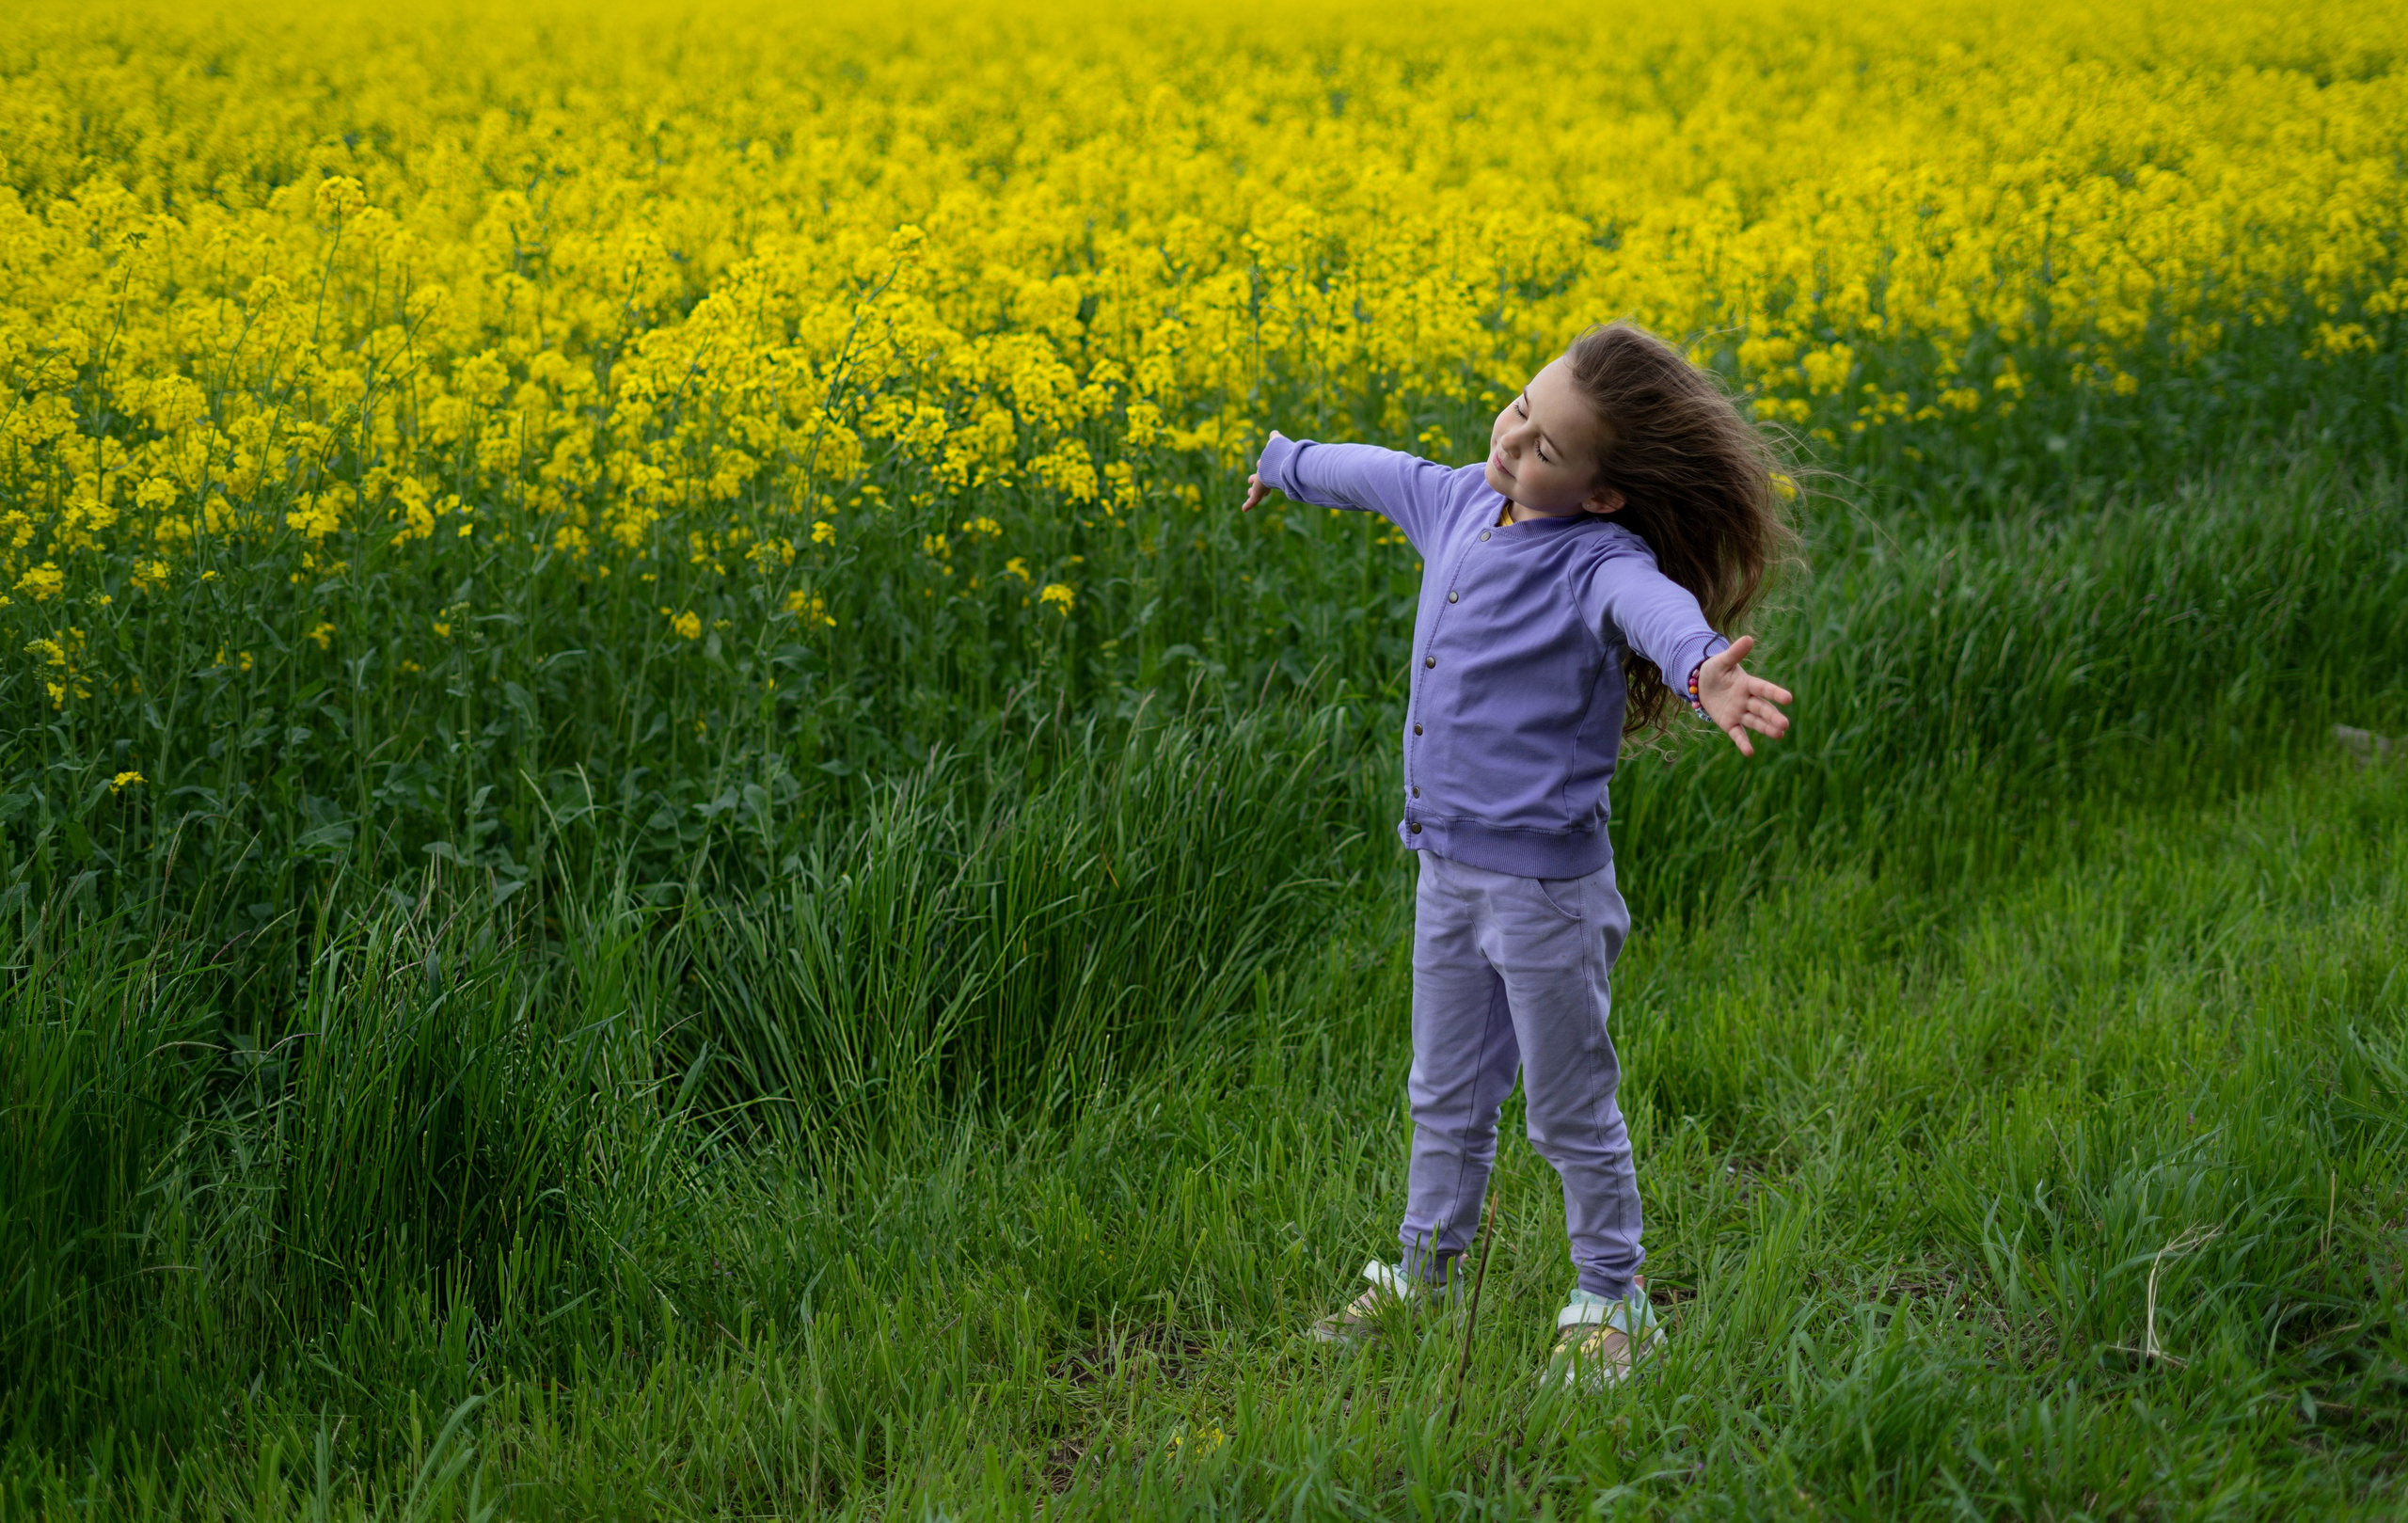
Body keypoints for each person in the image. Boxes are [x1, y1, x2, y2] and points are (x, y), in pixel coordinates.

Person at [1240, 321, 1800, 1389]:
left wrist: (1701, 672)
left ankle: (1612, 1295)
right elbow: (1377, 471)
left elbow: (1655, 612)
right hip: (1445, 872)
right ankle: (1422, 1267)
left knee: (1566, 1104)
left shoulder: (1599, 558)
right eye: (1517, 409)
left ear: (1598, 493)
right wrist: (1285, 463)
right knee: (1442, 1088)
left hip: (1545, 891)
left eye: (1544, 446)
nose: (1511, 441)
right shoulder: (1459, 499)